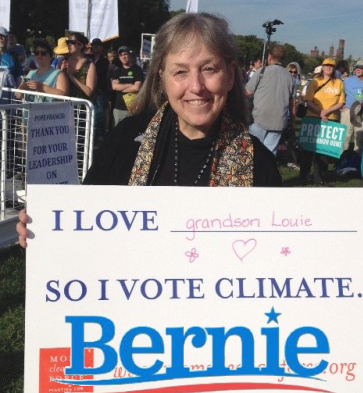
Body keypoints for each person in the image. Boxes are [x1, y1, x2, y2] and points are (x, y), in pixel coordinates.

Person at [17, 12, 282, 247]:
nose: (196, 86)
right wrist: (45, 231)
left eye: (209, 69)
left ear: (231, 74)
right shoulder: (125, 140)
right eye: (180, 72)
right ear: (161, 77)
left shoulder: (260, 165)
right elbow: (83, 221)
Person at [299, 57, 345, 185]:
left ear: (334, 68)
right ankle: (303, 176)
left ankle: (320, 179)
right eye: (326, 65)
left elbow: (341, 102)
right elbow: (308, 100)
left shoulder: (339, 83)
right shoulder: (315, 81)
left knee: (324, 152)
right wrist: (320, 113)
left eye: (331, 66)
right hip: (313, 118)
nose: (329, 67)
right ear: (322, 67)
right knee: (308, 150)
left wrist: (327, 112)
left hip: (330, 119)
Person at [245, 45, 294, 156]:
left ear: (270, 57)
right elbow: (292, 102)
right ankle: (265, 173)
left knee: (251, 152)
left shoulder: (262, 71)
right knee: (269, 154)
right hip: (278, 120)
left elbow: (247, 92)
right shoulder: (290, 76)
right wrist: (292, 119)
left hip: (260, 118)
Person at [111, 46, 144, 126]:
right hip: (119, 108)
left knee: (131, 133)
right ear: (119, 58)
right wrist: (129, 85)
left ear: (129, 55)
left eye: (125, 54)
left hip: (133, 107)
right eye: (121, 55)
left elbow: (136, 87)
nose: (123, 57)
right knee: (117, 132)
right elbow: (114, 87)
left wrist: (121, 87)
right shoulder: (117, 71)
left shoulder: (137, 70)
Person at [60, 32, 97, 100]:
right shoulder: (63, 61)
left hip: (83, 106)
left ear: (80, 45)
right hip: (66, 104)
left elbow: (89, 91)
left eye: (72, 42)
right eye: (67, 42)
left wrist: (70, 76)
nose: (69, 45)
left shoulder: (89, 64)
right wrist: (61, 73)